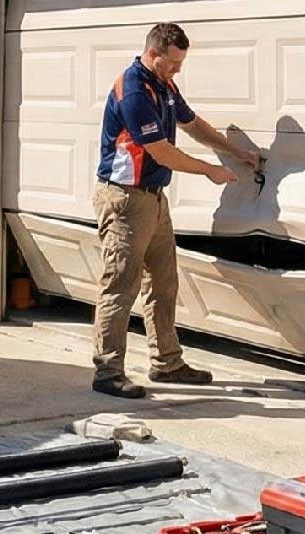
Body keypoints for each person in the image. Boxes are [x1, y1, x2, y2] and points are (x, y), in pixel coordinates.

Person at [91, 22, 263, 398]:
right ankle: (107, 372)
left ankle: (167, 363)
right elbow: (161, 152)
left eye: (180, 63)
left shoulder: (164, 84)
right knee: (120, 286)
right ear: (153, 54)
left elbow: (192, 124)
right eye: (172, 63)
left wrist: (235, 152)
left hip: (154, 199)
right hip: (124, 200)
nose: (177, 70)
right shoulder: (133, 90)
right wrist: (209, 170)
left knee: (164, 282)